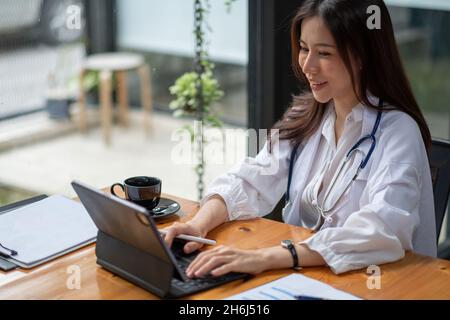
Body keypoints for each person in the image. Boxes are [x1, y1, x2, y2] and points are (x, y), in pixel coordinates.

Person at [163, 0, 437, 277]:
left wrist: (267, 257)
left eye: (324, 53)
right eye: (304, 49)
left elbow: (382, 231)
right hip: (306, 276)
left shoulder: (398, 132)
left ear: (362, 56)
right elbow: (251, 180)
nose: (307, 65)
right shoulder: (306, 115)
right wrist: (198, 225)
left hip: (376, 284)